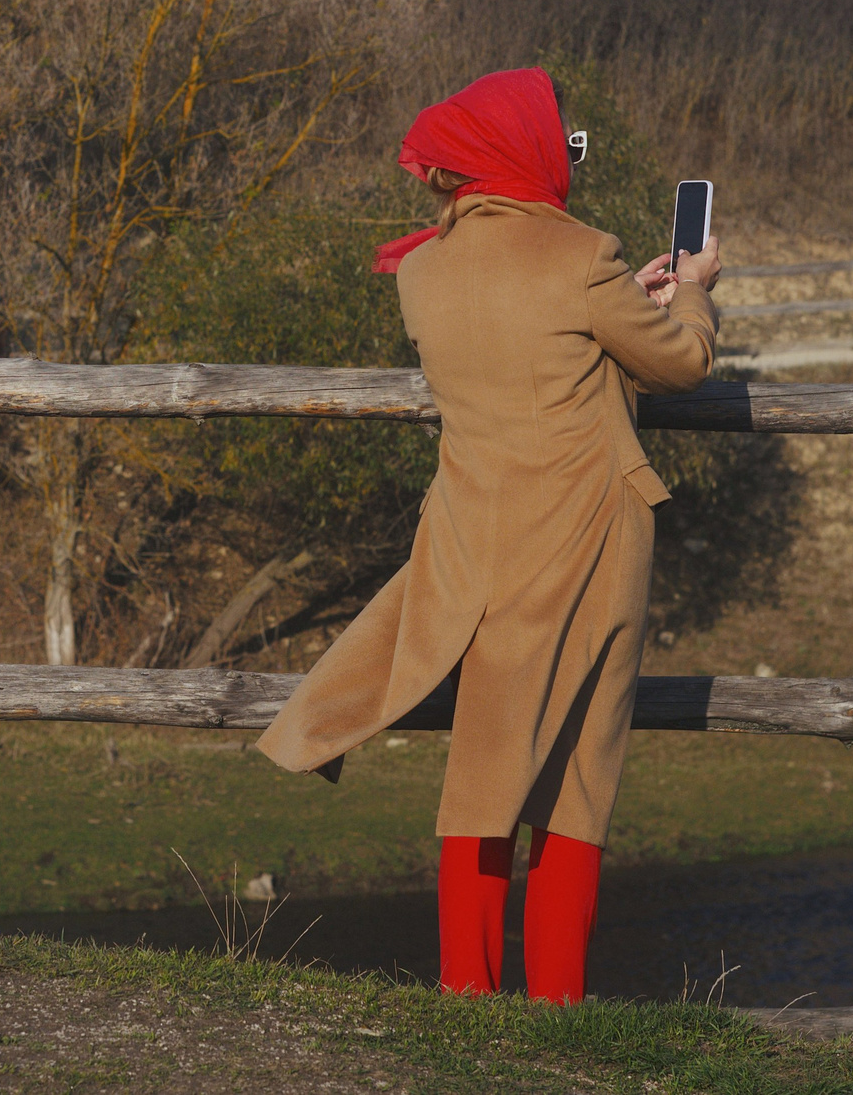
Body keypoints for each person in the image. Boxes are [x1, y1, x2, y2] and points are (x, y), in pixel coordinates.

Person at [256, 66, 721, 1004]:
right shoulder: (582, 255)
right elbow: (682, 361)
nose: (571, 159)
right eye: (565, 143)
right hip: (587, 540)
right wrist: (693, 290)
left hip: (474, 537)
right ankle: (555, 998)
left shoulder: (421, 273)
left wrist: (618, 297)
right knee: (576, 774)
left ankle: (466, 984)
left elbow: (527, 347)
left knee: (484, 765)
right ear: (531, 152)